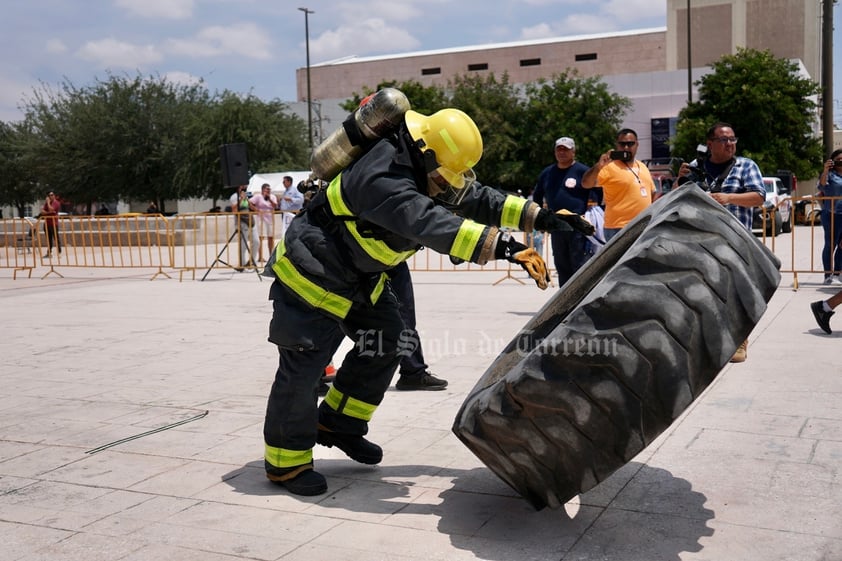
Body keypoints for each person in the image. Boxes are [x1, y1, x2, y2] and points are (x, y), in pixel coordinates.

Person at [260, 105, 593, 496]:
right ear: (426, 153)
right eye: (443, 174)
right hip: (312, 274)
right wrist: (505, 246)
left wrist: (544, 218)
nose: (446, 183)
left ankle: (338, 424)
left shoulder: (422, 162)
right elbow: (429, 223)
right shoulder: (381, 179)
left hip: (358, 277)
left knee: (389, 340)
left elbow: (476, 197)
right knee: (303, 367)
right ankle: (286, 462)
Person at [677, 122, 765, 362]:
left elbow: (759, 196)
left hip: (736, 240)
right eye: (724, 140)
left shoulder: (746, 166)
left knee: (736, 293)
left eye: (732, 139)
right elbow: (677, 198)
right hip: (700, 241)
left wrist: (729, 198)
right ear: (710, 144)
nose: (730, 144)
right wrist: (679, 179)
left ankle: (739, 341)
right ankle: (705, 341)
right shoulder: (696, 167)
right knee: (703, 293)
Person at [532, 136, 594, 285]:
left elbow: (595, 194)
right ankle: (565, 300)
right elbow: (537, 195)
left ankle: (581, 300)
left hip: (578, 225)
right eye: (558, 149)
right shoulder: (547, 173)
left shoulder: (583, 171)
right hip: (557, 225)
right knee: (561, 264)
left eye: (565, 150)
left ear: (573, 152)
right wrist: (539, 219)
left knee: (579, 264)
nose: (562, 153)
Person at [581, 128, 655, 243]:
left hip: (643, 226)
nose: (626, 147)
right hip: (619, 228)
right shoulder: (609, 167)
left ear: (637, 145)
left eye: (630, 144)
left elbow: (652, 193)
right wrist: (598, 166)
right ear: (617, 145)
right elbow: (586, 184)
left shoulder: (643, 167)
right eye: (622, 144)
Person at [816, 149, 842, 284]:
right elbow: (821, 186)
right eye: (838, 159)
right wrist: (825, 170)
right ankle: (828, 274)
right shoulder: (830, 175)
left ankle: (838, 272)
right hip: (832, 213)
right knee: (830, 244)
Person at [250, 183, 279, 263]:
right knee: (260, 238)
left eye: (269, 189)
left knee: (270, 238)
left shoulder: (272, 197)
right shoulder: (258, 196)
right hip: (260, 219)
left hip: (270, 219)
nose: (268, 191)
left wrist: (269, 199)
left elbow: (275, 206)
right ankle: (260, 257)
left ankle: (271, 255)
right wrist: (255, 209)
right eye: (267, 189)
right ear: (263, 190)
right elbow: (249, 202)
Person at [229, 184, 256, 269]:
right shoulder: (234, 197)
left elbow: (253, 207)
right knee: (243, 244)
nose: (244, 187)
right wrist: (241, 199)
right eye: (242, 186)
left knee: (256, 241)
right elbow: (234, 210)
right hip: (241, 222)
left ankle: (251, 262)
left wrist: (249, 201)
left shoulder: (247, 195)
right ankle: (242, 264)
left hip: (250, 221)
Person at [41, 191, 61, 259]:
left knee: (56, 238)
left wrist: (48, 203)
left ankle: (59, 252)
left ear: (54, 195)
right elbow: (42, 212)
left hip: (53, 223)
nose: (50, 196)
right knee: (49, 239)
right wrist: (49, 212)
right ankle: (49, 253)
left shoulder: (56, 203)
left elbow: (51, 208)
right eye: (49, 195)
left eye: (52, 195)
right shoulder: (47, 203)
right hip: (47, 223)